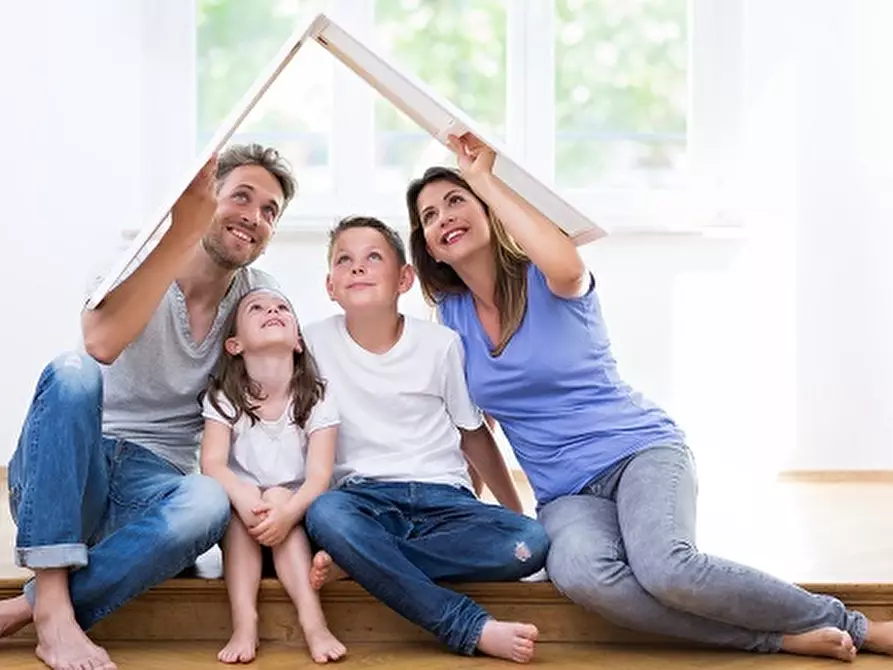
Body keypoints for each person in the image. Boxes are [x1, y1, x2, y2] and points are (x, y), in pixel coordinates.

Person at [405, 132, 893, 663]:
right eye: (429, 216)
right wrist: (504, 512)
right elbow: (475, 429)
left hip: (639, 451)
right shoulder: (450, 322)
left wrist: (483, 178)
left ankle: (856, 625)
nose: (444, 217)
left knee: (666, 568)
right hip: (566, 496)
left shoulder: (548, 277)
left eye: (456, 201)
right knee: (586, 578)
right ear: (427, 246)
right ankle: (776, 638)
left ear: (488, 210)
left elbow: (569, 265)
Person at [0, 143, 297, 670]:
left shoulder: (257, 296)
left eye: (270, 211)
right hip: (70, 477)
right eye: (242, 198)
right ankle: (50, 604)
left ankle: (27, 610)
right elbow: (101, 344)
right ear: (208, 200)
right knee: (72, 373)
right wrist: (182, 229)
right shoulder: (133, 257)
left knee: (208, 501)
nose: (254, 217)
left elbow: (274, 399)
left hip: (154, 488)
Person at [301, 216, 550, 664]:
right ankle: (467, 625)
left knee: (529, 542)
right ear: (330, 285)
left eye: (373, 257)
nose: (357, 268)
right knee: (325, 513)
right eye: (345, 260)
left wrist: (513, 512)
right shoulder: (312, 343)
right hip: (364, 503)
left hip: (445, 501)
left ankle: (360, 561)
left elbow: (472, 435)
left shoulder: (441, 344)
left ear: (404, 278)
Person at [200, 287, 346, 664]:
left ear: (297, 341)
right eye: (257, 308)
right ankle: (244, 622)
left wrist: (286, 512)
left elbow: (318, 477)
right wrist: (246, 497)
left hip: (295, 521)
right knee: (240, 508)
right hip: (244, 524)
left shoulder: (317, 395)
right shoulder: (223, 396)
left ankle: (313, 621)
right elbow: (213, 464)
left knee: (280, 495)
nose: (273, 310)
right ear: (234, 345)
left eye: (283, 306)